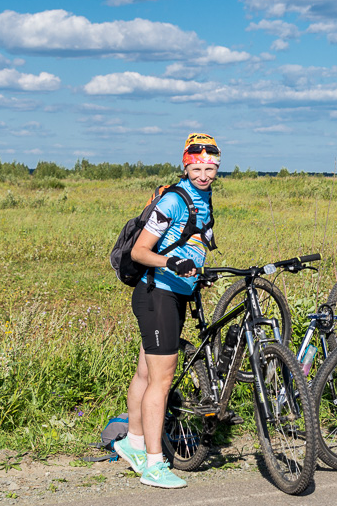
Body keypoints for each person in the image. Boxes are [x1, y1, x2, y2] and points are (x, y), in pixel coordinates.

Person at [114, 133, 220, 488]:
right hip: (156, 294)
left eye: (211, 168)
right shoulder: (174, 200)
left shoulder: (203, 197)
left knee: (146, 374)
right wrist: (173, 262)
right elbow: (140, 252)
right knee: (161, 380)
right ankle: (155, 465)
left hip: (173, 294)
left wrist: (196, 275)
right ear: (186, 165)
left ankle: (133, 443)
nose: (204, 174)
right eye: (198, 167)